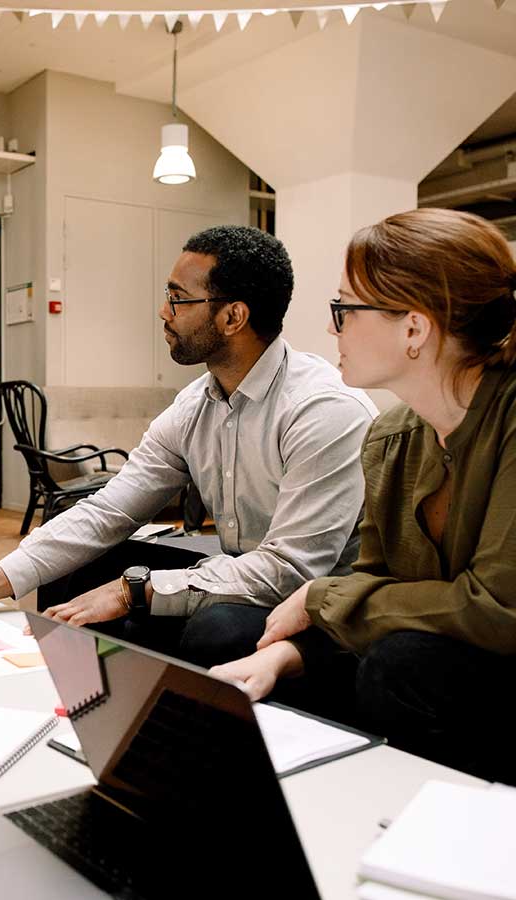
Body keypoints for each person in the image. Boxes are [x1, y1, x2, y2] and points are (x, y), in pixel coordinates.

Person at [0, 225, 376, 666]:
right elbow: (109, 510)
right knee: (86, 567)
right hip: (239, 572)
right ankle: (85, 697)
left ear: (233, 317)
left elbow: (289, 570)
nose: (163, 311)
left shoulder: (321, 411)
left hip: (321, 603)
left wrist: (132, 592)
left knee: (216, 628)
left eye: (178, 298)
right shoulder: (195, 405)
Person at [210, 208, 516, 783]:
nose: (333, 330)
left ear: (414, 329)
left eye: (345, 310)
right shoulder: (390, 437)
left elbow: (498, 611)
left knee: (402, 666)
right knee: (233, 636)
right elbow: (375, 590)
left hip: (481, 662)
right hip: (434, 657)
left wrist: (318, 597)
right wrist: (284, 654)